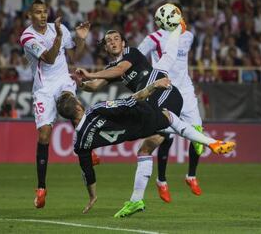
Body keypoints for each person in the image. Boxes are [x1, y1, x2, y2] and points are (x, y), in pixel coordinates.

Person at [56, 80, 236, 217]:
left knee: (146, 148)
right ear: (79, 106)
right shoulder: (95, 109)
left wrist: (92, 197)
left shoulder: (80, 144)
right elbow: (127, 103)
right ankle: (210, 142)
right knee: (169, 115)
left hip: (135, 133)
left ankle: (136, 200)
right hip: (142, 115)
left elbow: (88, 172)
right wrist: (151, 87)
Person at [74, 27, 187, 202]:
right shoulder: (111, 67)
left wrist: (90, 73)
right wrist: (81, 83)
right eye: (108, 40)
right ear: (105, 47)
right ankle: (138, 200)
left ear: (123, 43)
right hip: (152, 101)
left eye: (116, 38)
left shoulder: (131, 53)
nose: (112, 42)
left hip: (162, 94)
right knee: (146, 148)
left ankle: (196, 143)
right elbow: (94, 86)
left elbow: (119, 71)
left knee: (163, 126)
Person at [19, 0, 92, 209]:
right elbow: (49, 59)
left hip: (62, 81)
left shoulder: (58, 28)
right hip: (43, 88)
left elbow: (74, 55)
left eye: (45, 12)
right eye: (38, 13)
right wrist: (59, 36)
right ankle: (41, 188)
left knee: (74, 108)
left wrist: (81, 39)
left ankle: (88, 147)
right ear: (30, 16)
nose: (42, 16)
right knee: (44, 135)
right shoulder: (28, 36)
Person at [137, 5, 204, 201]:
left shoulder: (188, 36)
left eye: (178, 14)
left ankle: (191, 176)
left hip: (186, 89)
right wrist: (150, 78)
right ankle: (162, 181)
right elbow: (138, 57)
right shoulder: (154, 38)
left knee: (198, 135)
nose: (177, 17)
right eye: (173, 14)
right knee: (166, 137)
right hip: (165, 89)